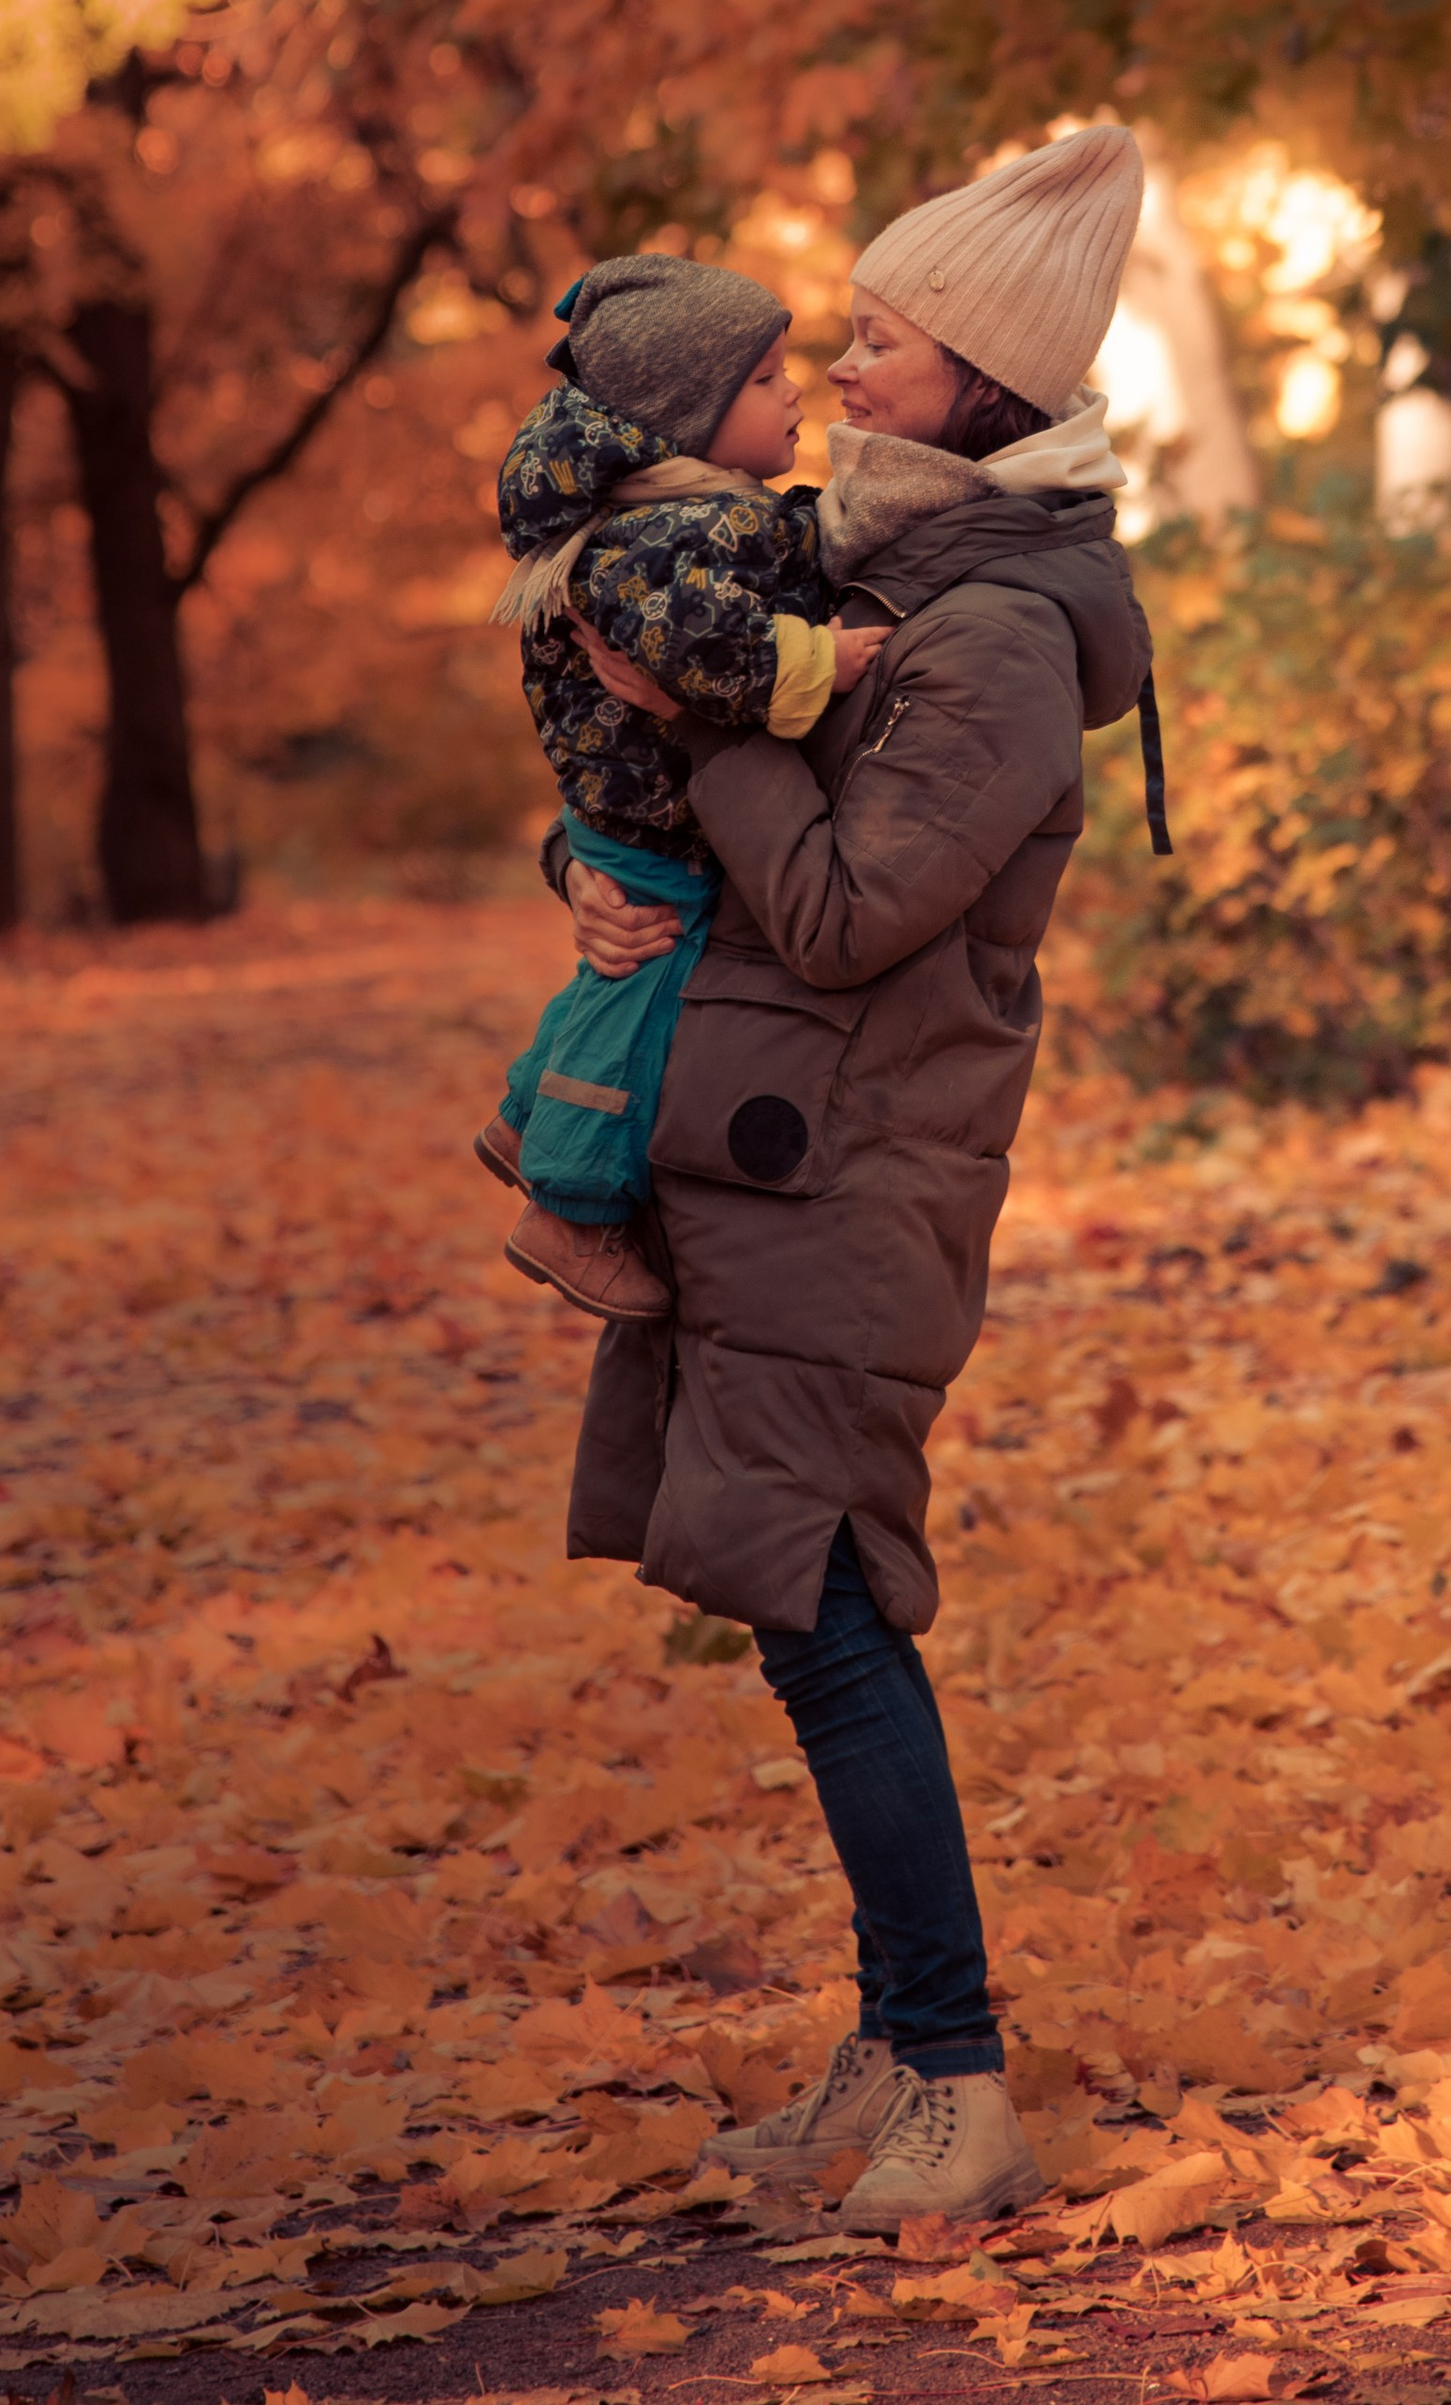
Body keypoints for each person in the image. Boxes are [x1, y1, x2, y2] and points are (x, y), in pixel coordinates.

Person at [548, 124, 1153, 2230]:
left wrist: (695, 729)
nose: (840, 371)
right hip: (765, 1155)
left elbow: (835, 911)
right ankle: (899, 2048)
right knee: (809, 1604)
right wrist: (597, 840)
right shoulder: (869, 563)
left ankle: (958, 2085)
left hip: (852, 1179)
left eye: (881, 339)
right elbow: (677, 796)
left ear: (980, 385)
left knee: (825, 1611)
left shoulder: (984, 640)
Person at [483, 256, 886, 1320]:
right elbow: (707, 648)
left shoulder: (684, 514)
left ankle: (527, 1114)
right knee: (644, 991)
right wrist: (824, 665)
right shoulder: (663, 536)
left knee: (614, 976)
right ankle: (571, 1204)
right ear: (684, 418)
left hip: (625, 807)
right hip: (652, 817)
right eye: (762, 380)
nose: (794, 390)